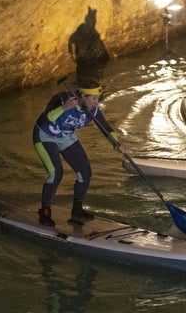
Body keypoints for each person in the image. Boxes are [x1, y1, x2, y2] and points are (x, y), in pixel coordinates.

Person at [32, 78, 127, 227]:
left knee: (85, 172)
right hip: (45, 135)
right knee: (56, 173)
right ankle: (45, 212)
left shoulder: (93, 110)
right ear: (83, 96)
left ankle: (77, 211)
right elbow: (47, 119)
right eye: (94, 98)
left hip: (66, 137)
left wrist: (116, 143)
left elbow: (106, 127)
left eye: (98, 99)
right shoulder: (61, 99)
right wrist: (64, 108)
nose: (97, 102)